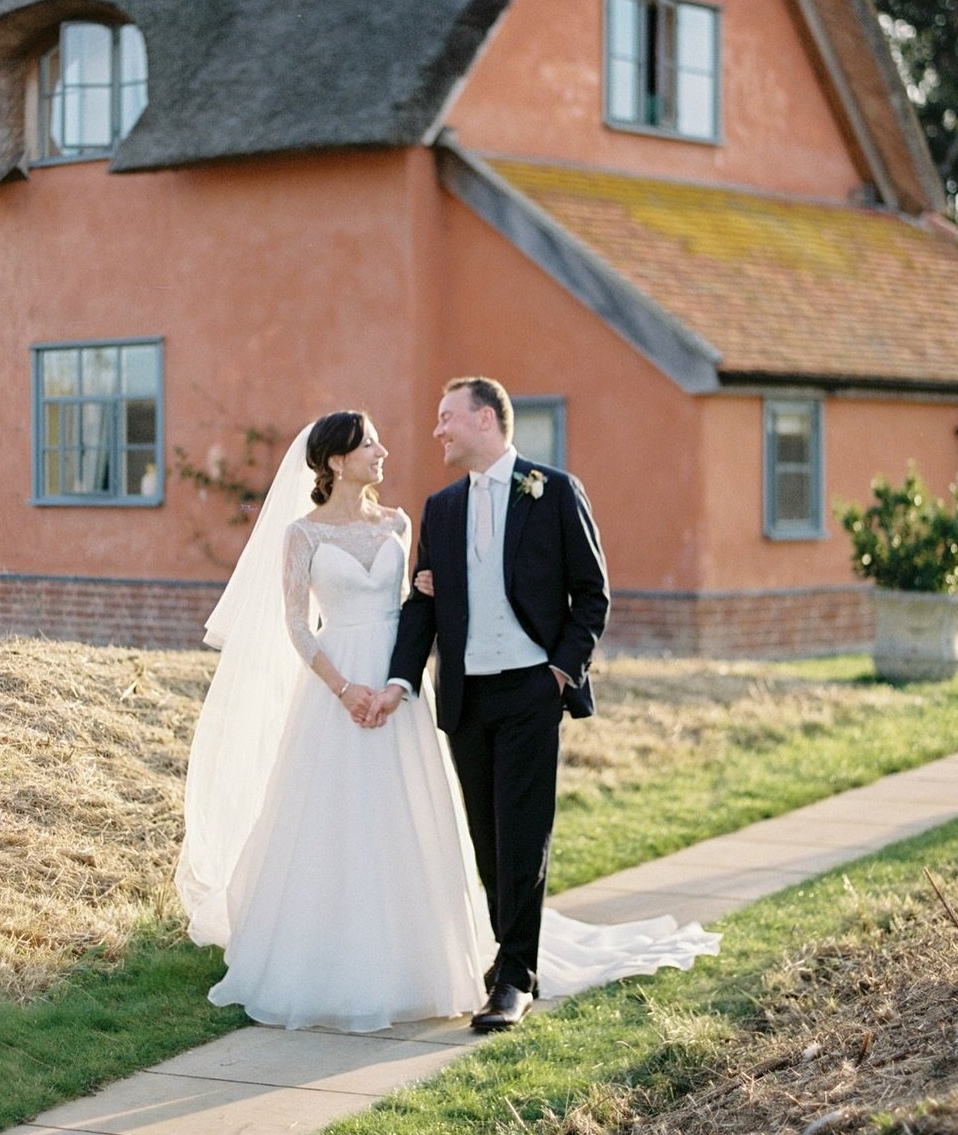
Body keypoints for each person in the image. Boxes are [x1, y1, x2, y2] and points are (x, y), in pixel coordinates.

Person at [175, 406, 718, 1035]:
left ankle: (431, 958)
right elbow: (297, 622)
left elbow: (421, 603)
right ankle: (330, 953)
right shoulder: (303, 535)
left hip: (400, 681)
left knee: (410, 815)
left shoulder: (401, 523)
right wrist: (343, 687)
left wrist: (425, 607)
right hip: (337, 684)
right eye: (368, 445)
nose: (383, 451)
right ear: (334, 462)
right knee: (330, 817)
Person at [374, 377, 606, 1029]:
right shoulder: (441, 507)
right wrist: (400, 679)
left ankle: (514, 979)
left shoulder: (553, 490)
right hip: (467, 693)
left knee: (523, 834)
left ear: (483, 418)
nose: (437, 430)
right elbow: (424, 606)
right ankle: (509, 954)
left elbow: (592, 594)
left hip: (533, 686)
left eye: (446, 417)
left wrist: (562, 669)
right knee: (486, 839)